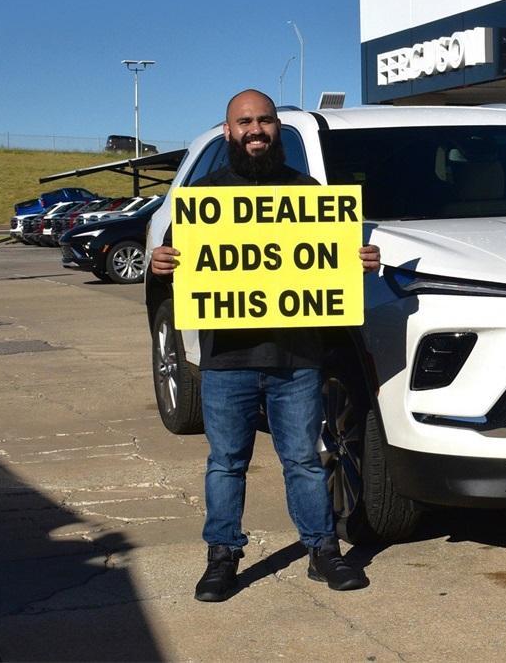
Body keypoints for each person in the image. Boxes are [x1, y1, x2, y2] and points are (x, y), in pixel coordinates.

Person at [150, 89, 380, 601]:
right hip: (226, 359)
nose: (256, 130)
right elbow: (178, 269)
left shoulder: (310, 193)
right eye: (245, 122)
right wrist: (161, 266)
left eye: (265, 121)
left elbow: (332, 267)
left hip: (296, 357)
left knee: (301, 459)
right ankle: (222, 556)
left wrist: (358, 259)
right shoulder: (203, 198)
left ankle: (323, 552)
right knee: (226, 462)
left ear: (277, 128)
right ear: (229, 130)